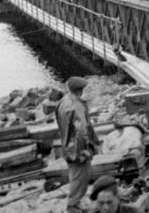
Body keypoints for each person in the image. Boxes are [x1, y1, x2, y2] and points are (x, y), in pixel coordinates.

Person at [56, 77, 100, 213]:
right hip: (77, 149)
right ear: (79, 90)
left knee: (75, 176)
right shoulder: (76, 105)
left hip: (68, 146)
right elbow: (82, 130)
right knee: (80, 178)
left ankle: (75, 204)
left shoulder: (63, 102)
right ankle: (72, 206)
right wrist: (86, 150)